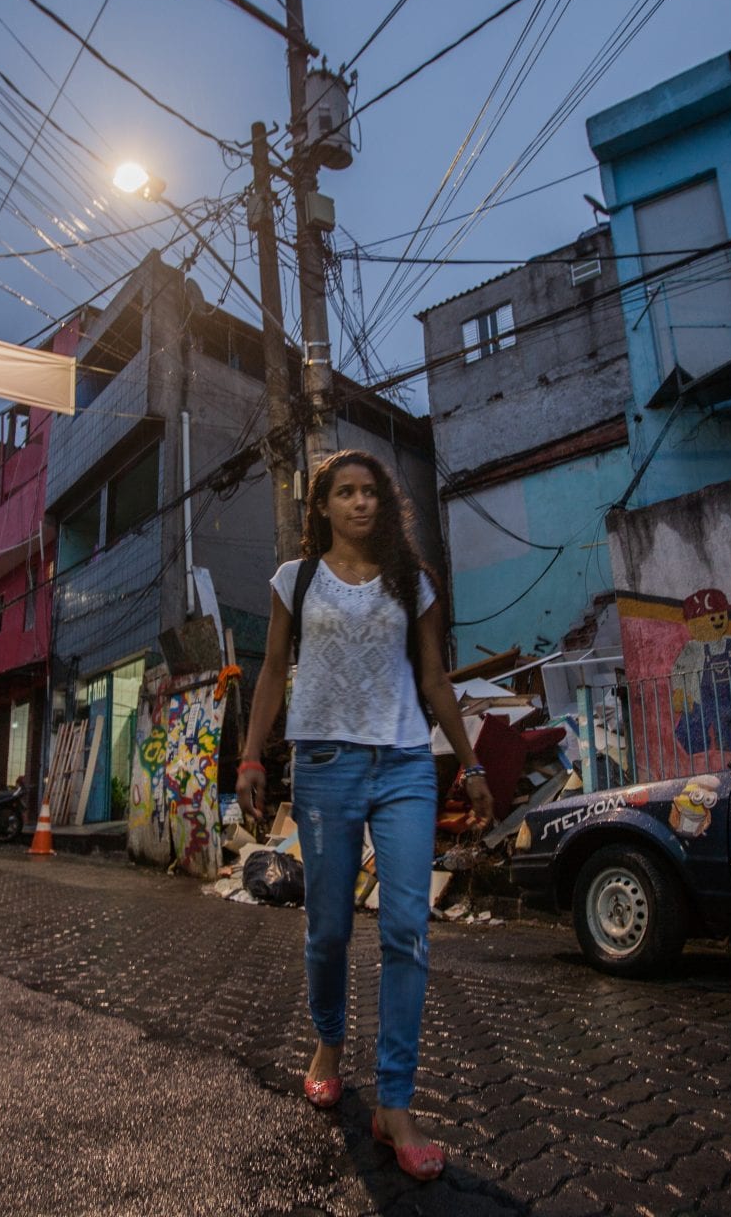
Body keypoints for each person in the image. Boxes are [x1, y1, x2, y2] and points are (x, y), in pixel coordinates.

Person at [236, 449, 492, 1184]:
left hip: (406, 765)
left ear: (385, 503)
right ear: (321, 506)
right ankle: (327, 1044)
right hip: (322, 768)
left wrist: (470, 765)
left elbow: (435, 680)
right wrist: (253, 756)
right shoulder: (298, 580)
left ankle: (396, 1103)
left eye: (370, 491)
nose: (359, 503)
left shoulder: (415, 583)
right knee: (329, 927)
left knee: (409, 930)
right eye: (344, 493)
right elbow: (274, 670)